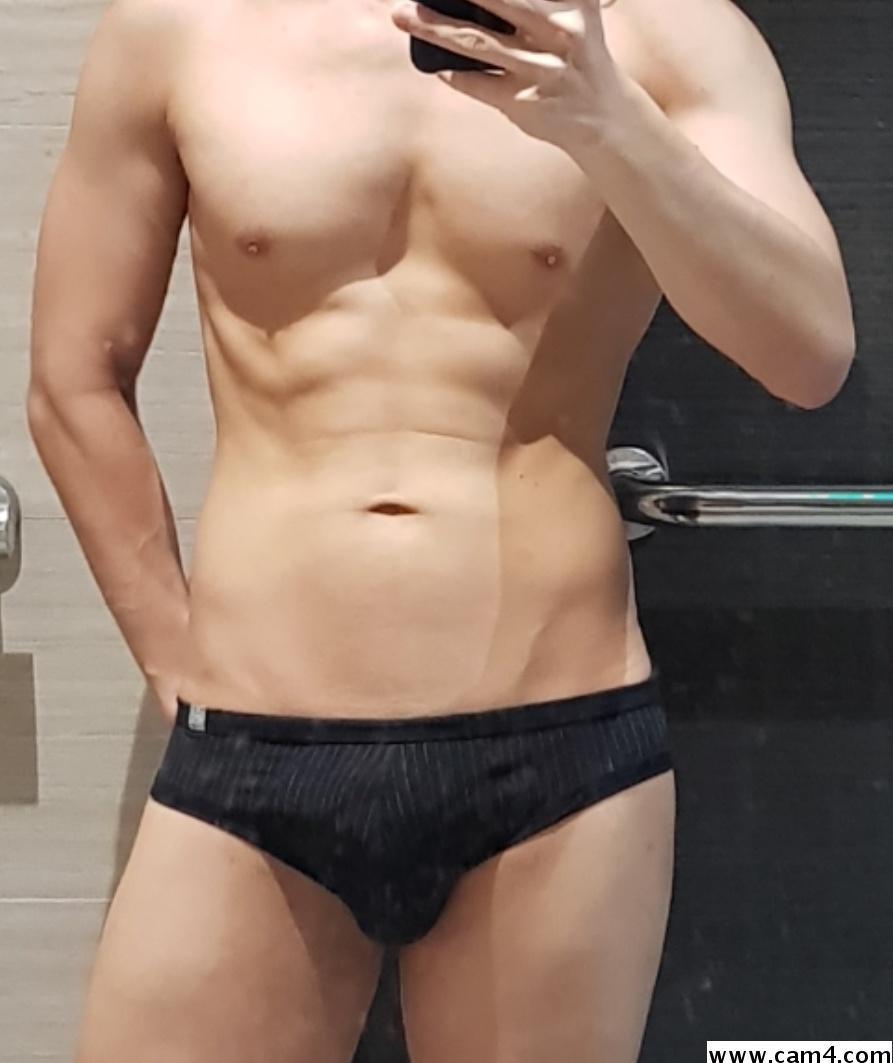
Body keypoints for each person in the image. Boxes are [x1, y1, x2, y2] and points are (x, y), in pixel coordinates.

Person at [26, 0, 855, 1059]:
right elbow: (74, 376)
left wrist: (611, 123)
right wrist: (170, 657)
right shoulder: (184, 25)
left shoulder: (666, 33)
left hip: (558, 743)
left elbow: (806, 354)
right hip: (249, 735)